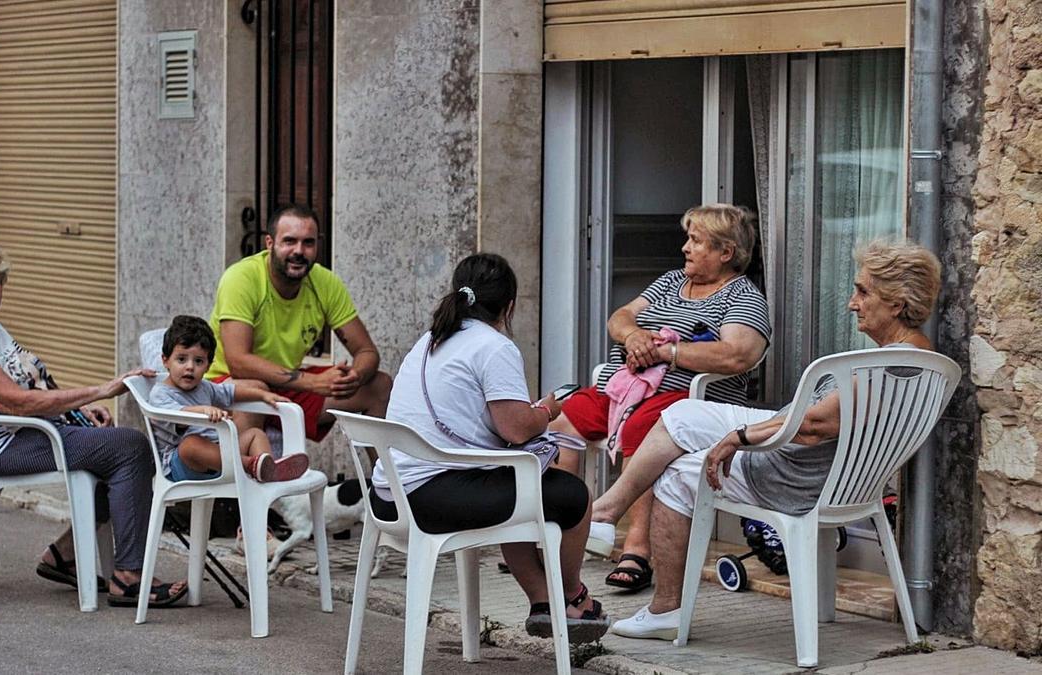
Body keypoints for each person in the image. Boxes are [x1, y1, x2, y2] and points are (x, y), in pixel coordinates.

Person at [598, 240, 942, 639]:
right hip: (822, 467)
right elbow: (814, 422)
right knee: (680, 414)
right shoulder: (918, 357)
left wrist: (739, 438)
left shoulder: (889, 365)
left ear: (897, 304)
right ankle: (609, 509)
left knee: (677, 473)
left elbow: (813, 428)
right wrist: (740, 433)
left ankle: (664, 609)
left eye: (863, 292)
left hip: (790, 474)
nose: (852, 303)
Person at [0, 236, 186, 608]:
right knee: (130, 448)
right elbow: (19, 402)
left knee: (109, 443)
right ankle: (128, 577)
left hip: (31, 430)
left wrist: (76, 413)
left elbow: (30, 378)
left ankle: (62, 557)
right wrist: (100, 391)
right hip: (1, 445)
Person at [369, 253, 610, 643]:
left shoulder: (430, 339)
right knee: (574, 498)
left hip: (388, 495)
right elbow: (516, 429)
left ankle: (542, 602)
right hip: (429, 499)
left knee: (513, 489)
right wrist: (547, 409)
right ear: (509, 305)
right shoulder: (494, 347)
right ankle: (570, 596)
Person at [551, 203, 770, 592]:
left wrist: (669, 352)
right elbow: (619, 316)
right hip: (628, 388)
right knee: (566, 419)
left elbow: (739, 354)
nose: (685, 247)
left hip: (686, 400)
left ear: (726, 253)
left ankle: (637, 549)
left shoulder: (743, 297)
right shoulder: (671, 281)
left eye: (696, 241)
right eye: (688, 238)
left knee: (644, 425)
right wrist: (633, 336)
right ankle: (560, 528)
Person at [207, 204, 393, 445]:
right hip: (226, 385)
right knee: (253, 387)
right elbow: (239, 362)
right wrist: (314, 382)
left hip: (284, 384)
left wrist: (353, 377)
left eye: (308, 243)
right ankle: (246, 478)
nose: (299, 251)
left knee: (379, 386)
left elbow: (367, 351)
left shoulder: (325, 282)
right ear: (270, 243)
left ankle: (382, 481)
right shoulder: (242, 278)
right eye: (289, 241)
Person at [147, 315, 308, 483]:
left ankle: (269, 473)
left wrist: (263, 395)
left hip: (220, 457)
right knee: (190, 445)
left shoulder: (204, 387)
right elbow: (177, 416)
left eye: (198, 361)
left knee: (255, 434)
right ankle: (249, 465)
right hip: (183, 466)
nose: (190, 367)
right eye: (181, 359)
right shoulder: (160, 393)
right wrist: (203, 410)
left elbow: (230, 391)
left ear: (208, 366)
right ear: (165, 360)